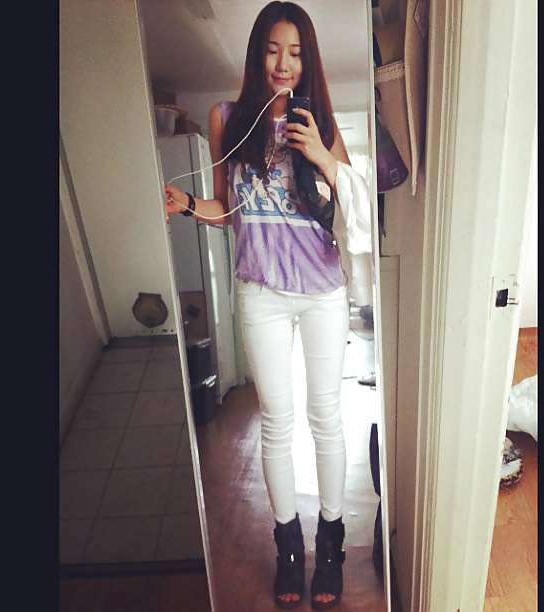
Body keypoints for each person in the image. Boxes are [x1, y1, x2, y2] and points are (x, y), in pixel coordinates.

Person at [165, 2, 371, 608]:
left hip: (322, 291)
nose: (284, 64)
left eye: (297, 53)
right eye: (274, 50)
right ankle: (290, 550)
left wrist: (323, 156)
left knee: (326, 417)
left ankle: (330, 546)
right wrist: (185, 204)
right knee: (276, 421)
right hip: (259, 292)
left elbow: (357, 208)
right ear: (258, 53)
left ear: (309, 61)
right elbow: (229, 211)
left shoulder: (319, 121)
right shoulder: (226, 118)